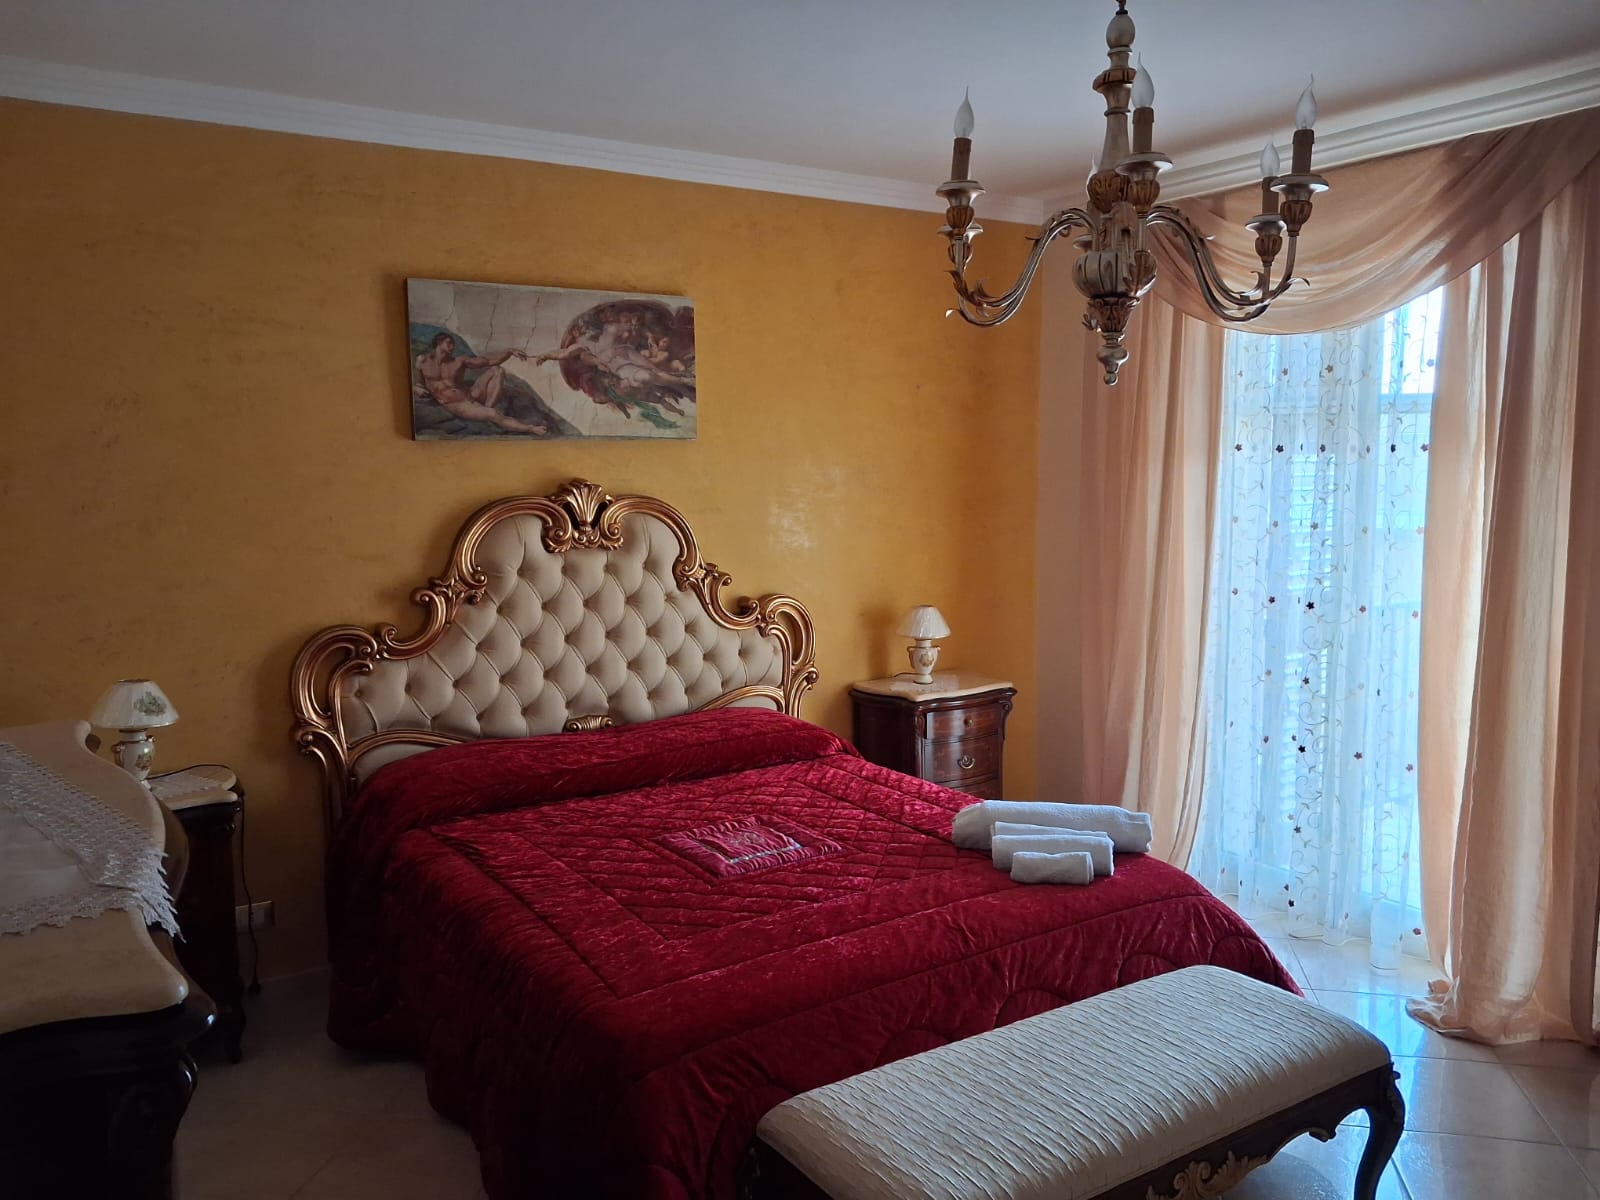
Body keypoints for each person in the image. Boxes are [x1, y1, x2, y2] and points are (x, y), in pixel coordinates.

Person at [414, 333, 545, 435]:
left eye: (453, 343)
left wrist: (509, 352)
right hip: (456, 404)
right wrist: (416, 389)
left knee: (497, 370)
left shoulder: (459, 361)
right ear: (438, 343)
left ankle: (487, 410)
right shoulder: (423, 360)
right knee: (493, 414)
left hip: (471, 394)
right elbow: (419, 383)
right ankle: (531, 429)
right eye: (449, 343)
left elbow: (488, 361)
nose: (452, 346)